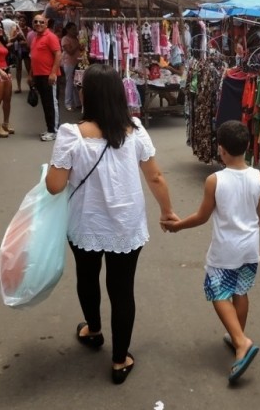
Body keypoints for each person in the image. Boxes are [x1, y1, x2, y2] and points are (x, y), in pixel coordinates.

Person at [44, 63, 178, 385]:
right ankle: (120, 360)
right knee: (122, 290)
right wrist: (167, 211)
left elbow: (54, 185)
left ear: (86, 95)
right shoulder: (135, 130)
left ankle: (93, 330)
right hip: (126, 225)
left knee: (87, 278)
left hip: (85, 223)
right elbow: (156, 176)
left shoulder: (71, 135)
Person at [162, 120, 260, 383]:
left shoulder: (215, 180)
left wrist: (177, 226)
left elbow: (202, 216)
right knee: (240, 292)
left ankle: (240, 340)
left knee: (217, 292)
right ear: (248, 147)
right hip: (248, 249)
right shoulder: (259, 177)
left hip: (225, 252)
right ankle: (238, 339)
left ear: (221, 150)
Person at [28, 13, 62, 141]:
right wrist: (31, 74)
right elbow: (34, 58)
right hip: (39, 75)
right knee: (46, 104)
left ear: (46, 24)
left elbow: (58, 55)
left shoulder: (51, 37)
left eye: (41, 22)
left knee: (52, 103)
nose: (38, 24)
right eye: (36, 22)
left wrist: (53, 73)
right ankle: (50, 128)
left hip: (49, 76)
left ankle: (54, 130)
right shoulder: (35, 37)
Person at [60, 22, 82, 111]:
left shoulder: (76, 38)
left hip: (77, 63)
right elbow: (70, 51)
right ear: (68, 30)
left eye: (75, 29)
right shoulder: (65, 39)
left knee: (76, 83)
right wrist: (77, 45)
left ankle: (77, 103)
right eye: (73, 29)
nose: (74, 31)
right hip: (69, 63)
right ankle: (68, 103)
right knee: (69, 83)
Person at [14, 15, 31, 94]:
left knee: (29, 69)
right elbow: (11, 38)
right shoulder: (15, 29)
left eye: (23, 21)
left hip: (26, 50)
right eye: (20, 20)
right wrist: (16, 36)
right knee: (18, 69)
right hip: (18, 51)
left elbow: (30, 40)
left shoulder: (29, 29)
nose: (21, 22)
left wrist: (25, 42)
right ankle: (19, 87)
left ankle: (32, 86)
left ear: (26, 22)